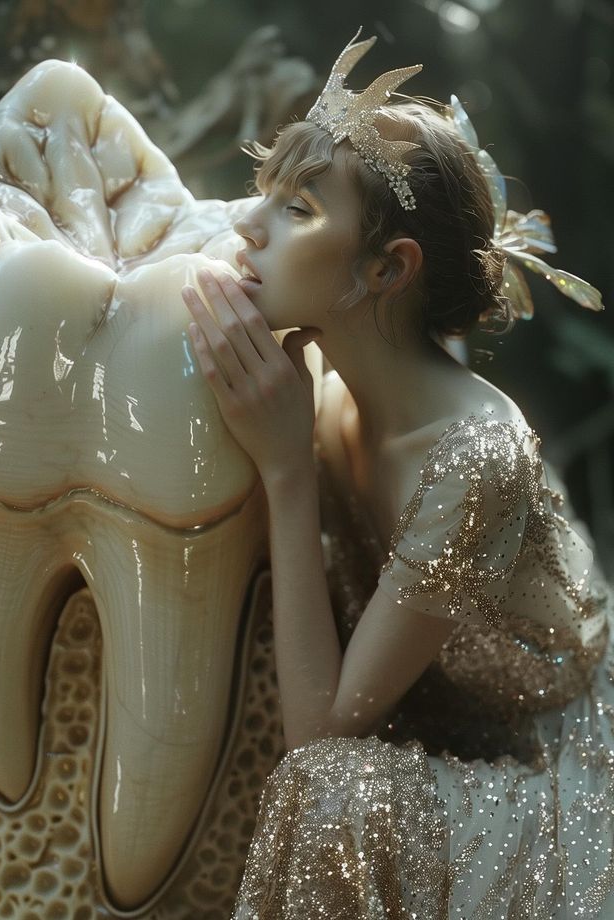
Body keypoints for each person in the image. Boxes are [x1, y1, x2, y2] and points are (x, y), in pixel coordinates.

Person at [182, 31, 611, 919]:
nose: (245, 224)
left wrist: (286, 468)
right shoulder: (327, 388)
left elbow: (321, 743)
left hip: (553, 769)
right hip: (440, 734)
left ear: (388, 268)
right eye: (265, 193)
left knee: (340, 799)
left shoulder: (474, 455)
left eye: (298, 210)